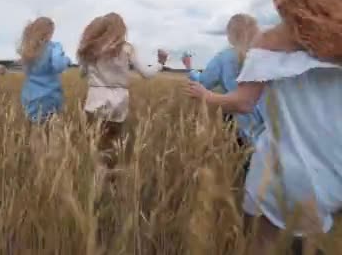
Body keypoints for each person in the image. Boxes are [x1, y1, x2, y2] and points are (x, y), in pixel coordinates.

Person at [185, 0, 342, 254]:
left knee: (262, 244)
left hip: (284, 170)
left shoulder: (273, 41)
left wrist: (205, 95)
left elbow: (243, 103)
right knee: (312, 241)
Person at [77, 13, 168, 169]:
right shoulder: (127, 49)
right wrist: (160, 63)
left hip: (94, 101)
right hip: (118, 104)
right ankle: (110, 180)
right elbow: (147, 74)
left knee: (95, 145)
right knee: (113, 145)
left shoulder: (90, 48)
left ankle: (95, 179)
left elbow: (82, 74)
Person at [183, 13, 266, 174]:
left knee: (246, 176)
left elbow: (203, 83)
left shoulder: (223, 58)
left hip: (245, 131)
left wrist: (189, 68)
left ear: (230, 37)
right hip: (277, 135)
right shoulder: (269, 56)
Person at [18, 16, 71, 124]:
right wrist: (67, 60)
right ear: (49, 32)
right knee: (53, 132)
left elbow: (26, 71)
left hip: (30, 96)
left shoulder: (28, 49)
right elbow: (58, 65)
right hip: (50, 96)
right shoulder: (54, 47)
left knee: (36, 131)